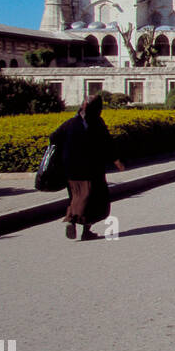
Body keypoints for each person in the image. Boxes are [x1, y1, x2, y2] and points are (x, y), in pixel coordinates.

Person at [50, 95, 124, 241]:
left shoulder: (71, 123)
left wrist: (64, 153)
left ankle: (73, 220)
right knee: (92, 198)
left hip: (70, 168)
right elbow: (107, 143)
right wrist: (117, 161)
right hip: (91, 168)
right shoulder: (97, 123)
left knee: (76, 196)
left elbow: (53, 137)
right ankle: (84, 229)